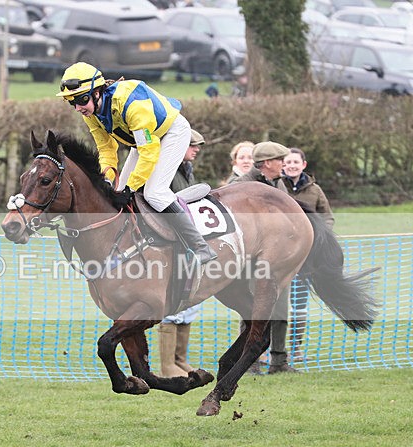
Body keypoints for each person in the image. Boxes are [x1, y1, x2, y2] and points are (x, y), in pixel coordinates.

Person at [57, 62, 217, 265]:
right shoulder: (91, 113)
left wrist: (131, 187)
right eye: (73, 103)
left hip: (171, 134)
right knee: (118, 193)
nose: (78, 108)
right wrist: (106, 180)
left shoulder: (131, 104)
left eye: (82, 99)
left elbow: (149, 152)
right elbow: (106, 150)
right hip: (142, 142)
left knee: (154, 193)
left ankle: (200, 246)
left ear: (97, 92)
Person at [159, 129, 206, 377]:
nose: (196, 149)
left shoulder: (185, 170)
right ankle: (167, 365)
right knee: (173, 299)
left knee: (188, 300)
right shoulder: (167, 169)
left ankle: (180, 359)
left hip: (186, 241)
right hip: (171, 243)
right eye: (193, 145)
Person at [282, 147, 335, 363]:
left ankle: (296, 347)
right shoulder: (276, 187)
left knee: (299, 305)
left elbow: (327, 218)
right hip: (279, 255)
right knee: (275, 304)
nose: (292, 165)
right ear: (282, 165)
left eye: (296, 162)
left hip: (305, 257)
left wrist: (317, 237)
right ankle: (269, 349)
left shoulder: (315, 191)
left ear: (303, 164)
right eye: (288, 162)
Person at [247, 141, 296, 374]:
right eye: (280, 161)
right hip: (251, 262)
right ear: (267, 163)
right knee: (253, 312)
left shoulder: (279, 184)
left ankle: (279, 362)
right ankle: (250, 363)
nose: (283, 165)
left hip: (279, 261)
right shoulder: (242, 186)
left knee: (280, 312)